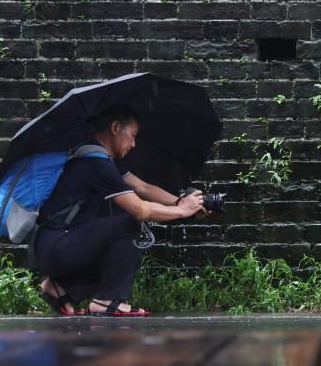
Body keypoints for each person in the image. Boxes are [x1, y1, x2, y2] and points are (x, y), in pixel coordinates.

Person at [32, 105, 206, 316]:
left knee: (117, 245)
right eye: (132, 136)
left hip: (51, 245)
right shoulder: (97, 163)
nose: (133, 144)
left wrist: (183, 202)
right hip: (57, 246)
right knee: (130, 224)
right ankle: (107, 300)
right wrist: (182, 212)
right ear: (115, 128)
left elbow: (144, 188)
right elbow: (140, 209)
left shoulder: (93, 155)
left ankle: (59, 289)